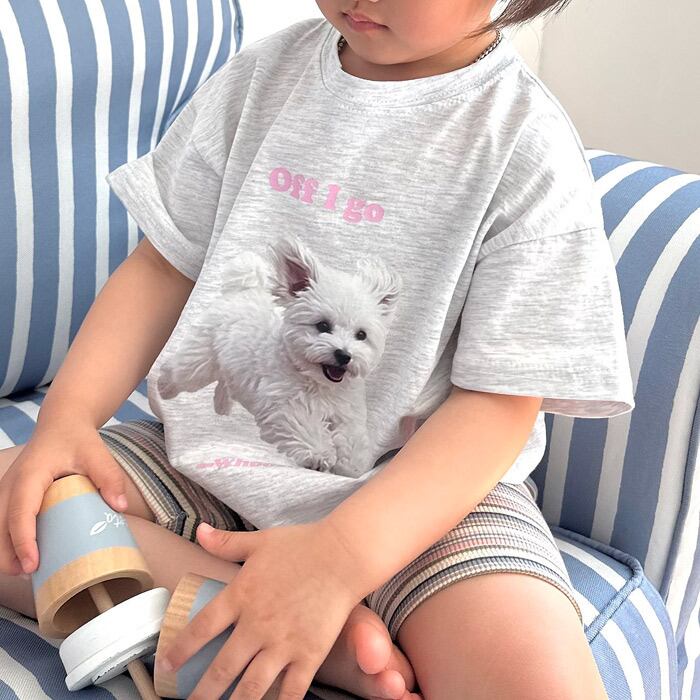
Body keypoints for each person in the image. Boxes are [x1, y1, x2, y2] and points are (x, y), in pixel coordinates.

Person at [0, 1, 635, 698]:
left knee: (537, 679)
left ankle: (274, 609)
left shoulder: (526, 144)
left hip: (425, 504)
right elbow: (160, 268)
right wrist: (66, 420)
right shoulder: (261, 79)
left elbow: (498, 407)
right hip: (213, 463)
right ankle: (284, 625)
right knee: (12, 503)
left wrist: (338, 559)